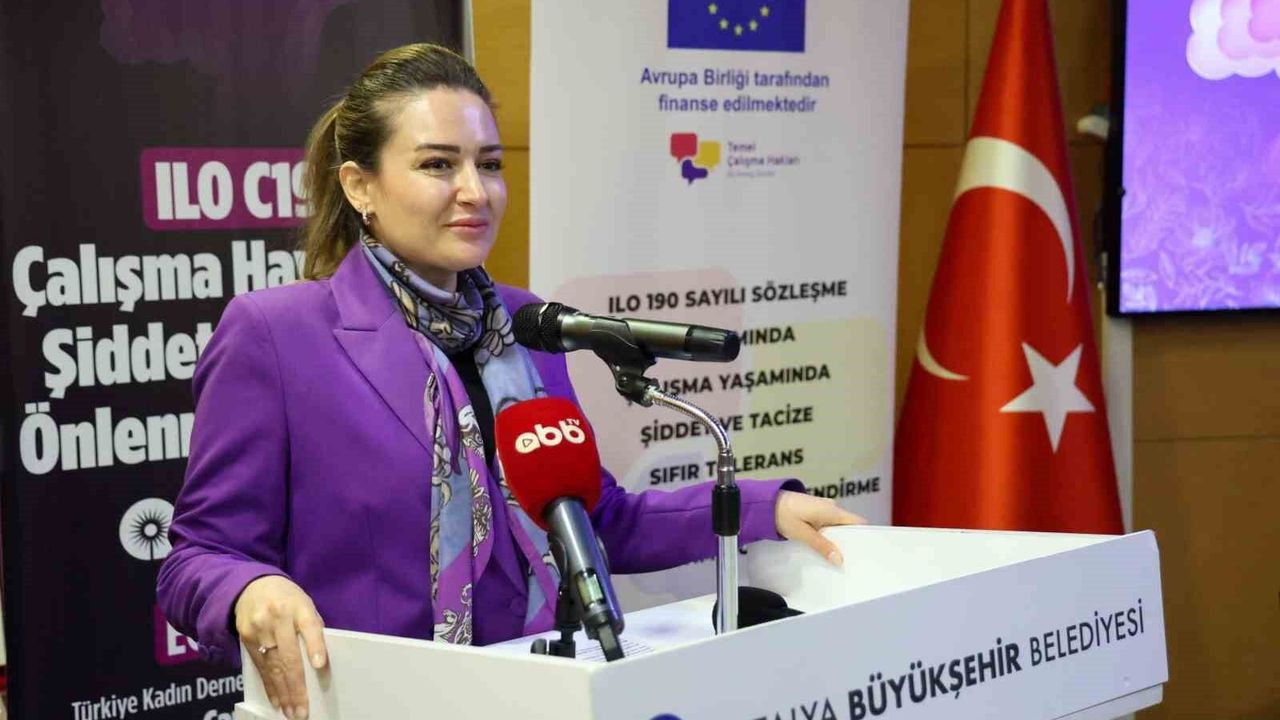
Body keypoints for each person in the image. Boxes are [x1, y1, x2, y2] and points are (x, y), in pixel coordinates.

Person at [156, 43, 863, 720]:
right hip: (378, 703)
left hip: (545, 692)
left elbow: (593, 522)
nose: (475, 191)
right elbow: (198, 557)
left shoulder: (528, 325)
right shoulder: (276, 335)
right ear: (360, 185)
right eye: (438, 164)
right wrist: (250, 588)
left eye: (489, 164)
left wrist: (761, 509)